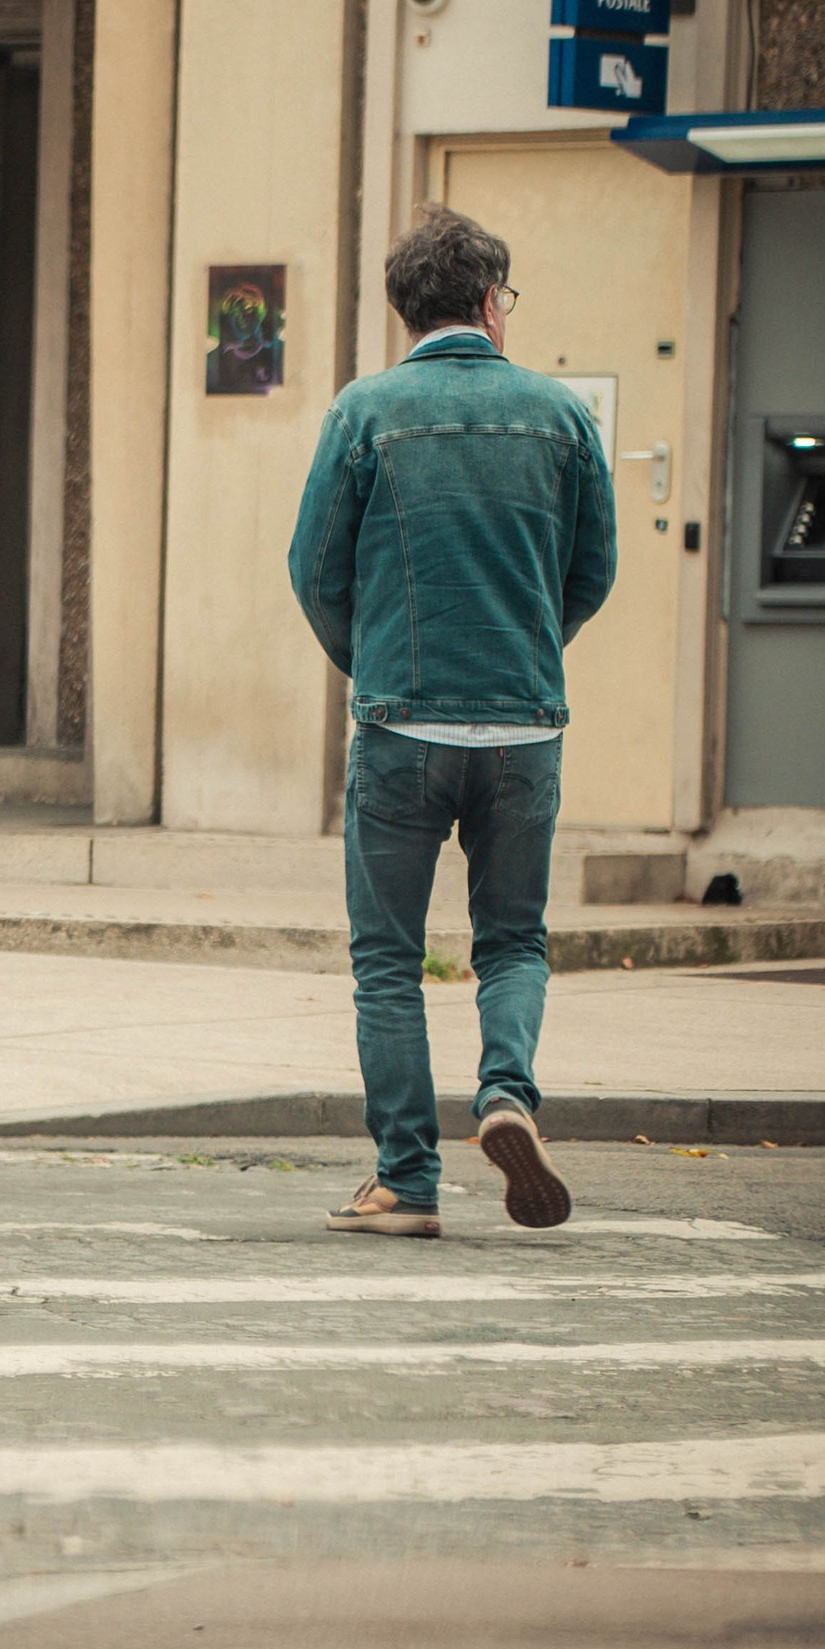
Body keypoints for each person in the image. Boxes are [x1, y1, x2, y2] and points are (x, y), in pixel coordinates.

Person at [287, 203, 618, 1236]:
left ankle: (406, 1181)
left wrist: (371, 660)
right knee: (512, 941)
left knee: (387, 959)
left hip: (399, 728)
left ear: (404, 309)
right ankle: (506, 1092)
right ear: (487, 301)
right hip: (522, 727)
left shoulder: (364, 412)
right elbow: (593, 569)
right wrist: (527, 648)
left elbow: (314, 570)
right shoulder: (561, 417)